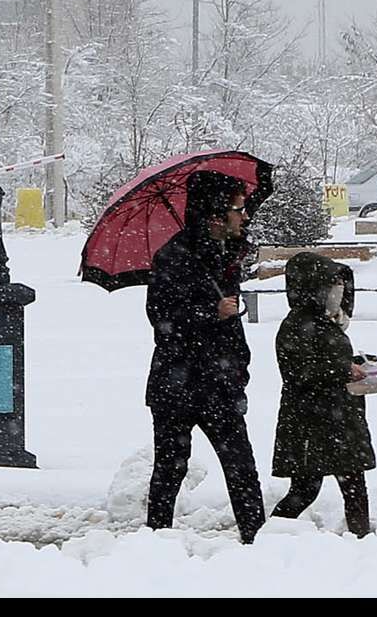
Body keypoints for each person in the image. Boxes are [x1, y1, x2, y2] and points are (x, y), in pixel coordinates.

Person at [144, 170, 265, 542]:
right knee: (171, 467)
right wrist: (211, 312)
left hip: (220, 382)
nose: (244, 217)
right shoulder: (175, 256)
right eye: (238, 210)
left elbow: (229, 332)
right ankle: (155, 539)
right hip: (179, 385)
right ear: (215, 215)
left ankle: (257, 537)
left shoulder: (224, 256)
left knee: (241, 466)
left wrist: (239, 371)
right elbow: (161, 318)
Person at [270, 252, 375, 538]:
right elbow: (300, 372)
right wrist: (344, 369)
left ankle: (362, 539)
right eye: (331, 286)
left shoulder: (325, 322)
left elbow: (325, 359)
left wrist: (356, 363)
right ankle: (272, 535)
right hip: (311, 421)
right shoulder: (296, 326)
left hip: (335, 419)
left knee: (352, 484)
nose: (337, 292)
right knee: (306, 490)